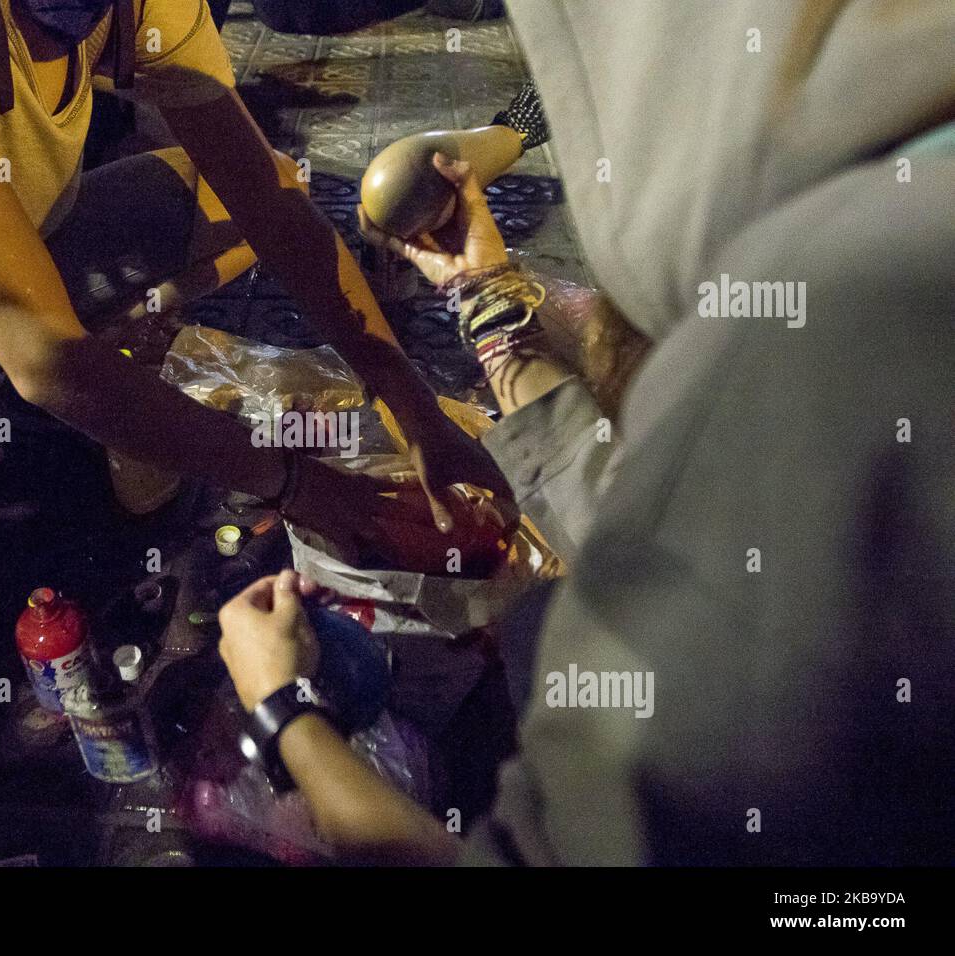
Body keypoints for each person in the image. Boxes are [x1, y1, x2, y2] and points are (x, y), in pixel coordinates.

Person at [217, 0, 955, 865]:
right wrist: (487, 296)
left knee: (542, 642)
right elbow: (660, 521)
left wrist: (283, 715)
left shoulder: (840, 317)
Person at [0, 0, 509, 621]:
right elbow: (47, 360)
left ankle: (70, 371)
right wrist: (298, 486)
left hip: (36, 240)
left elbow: (264, 202)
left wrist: (416, 411)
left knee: (275, 187)